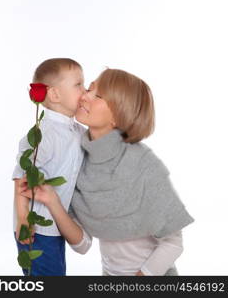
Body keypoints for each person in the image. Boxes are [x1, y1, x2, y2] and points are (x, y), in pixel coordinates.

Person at [19, 68, 195, 276]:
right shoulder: (81, 161)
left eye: (98, 95)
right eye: (89, 88)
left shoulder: (144, 164)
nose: (84, 96)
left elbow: (173, 243)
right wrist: (53, 202)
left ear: (119, 115)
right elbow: (82, 244)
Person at [11, 58, 87, 276]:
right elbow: (21, 176)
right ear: (54, 95)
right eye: (78, 84)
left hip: (56, 226)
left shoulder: (76, 130)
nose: (85, 90)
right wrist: (23, 218)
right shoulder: (45, 134)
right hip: (37, 229)